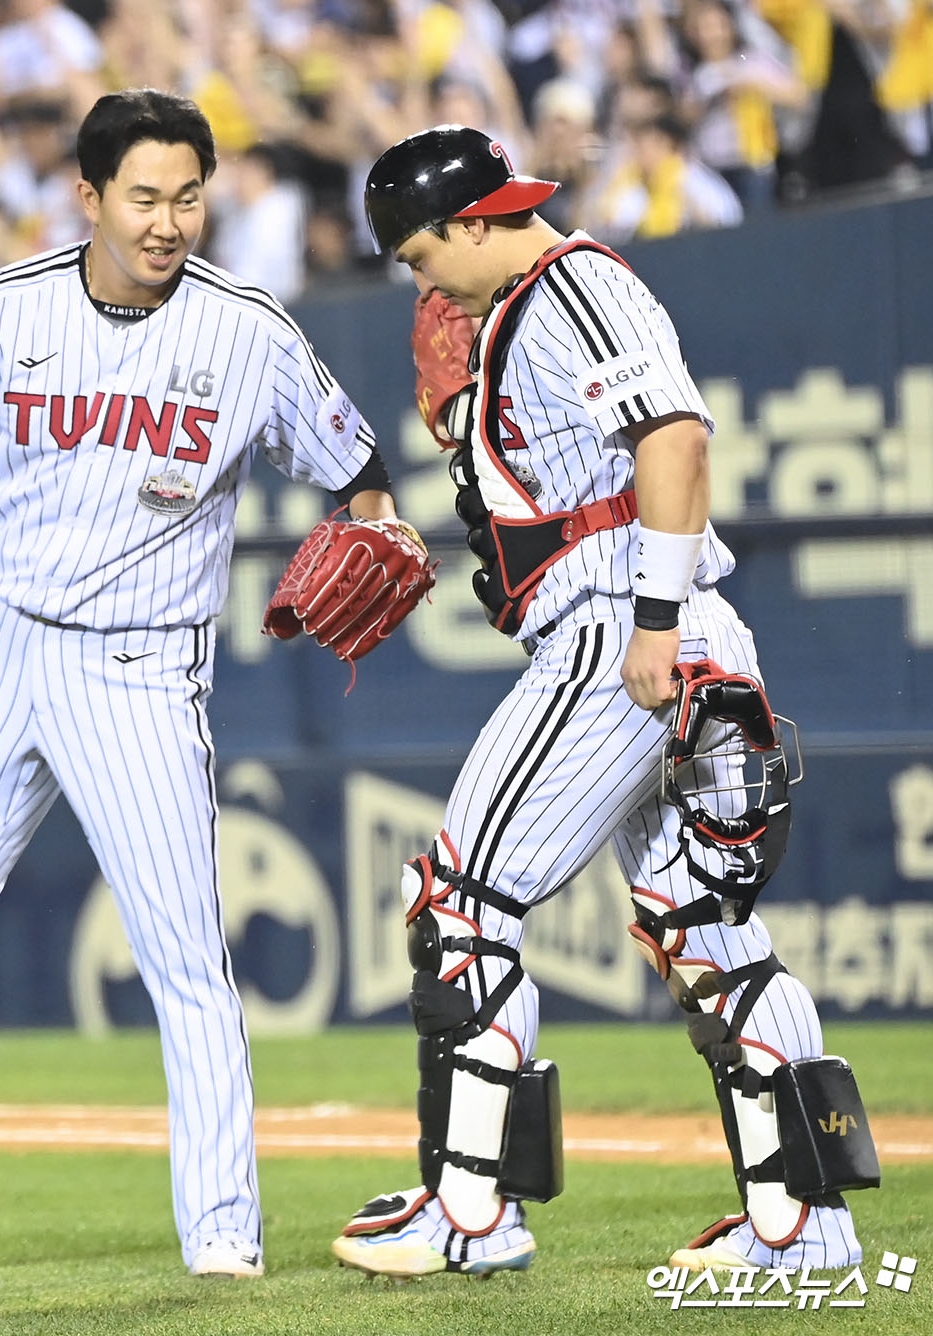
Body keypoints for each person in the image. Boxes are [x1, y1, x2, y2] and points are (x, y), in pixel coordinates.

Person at [0, 87, 414, 1279]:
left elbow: (358, 464)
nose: (169, 219)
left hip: (138, 668)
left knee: (182, 950)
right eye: (144, 195)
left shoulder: (247, 328)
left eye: (188, 194)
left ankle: (222, 1224)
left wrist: (374, 525)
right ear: (86, 195)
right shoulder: (0, 309)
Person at [330, 124, 875, 1279]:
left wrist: (655, 624)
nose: (418, 276)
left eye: (421, 250)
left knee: (462, 905)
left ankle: (469, 1211)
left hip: (622, 630)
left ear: (472, 221)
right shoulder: (528, 306)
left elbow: (673, 438)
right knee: (707, 930)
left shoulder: (569, 282)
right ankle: (803, 1224)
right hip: (645, 626)